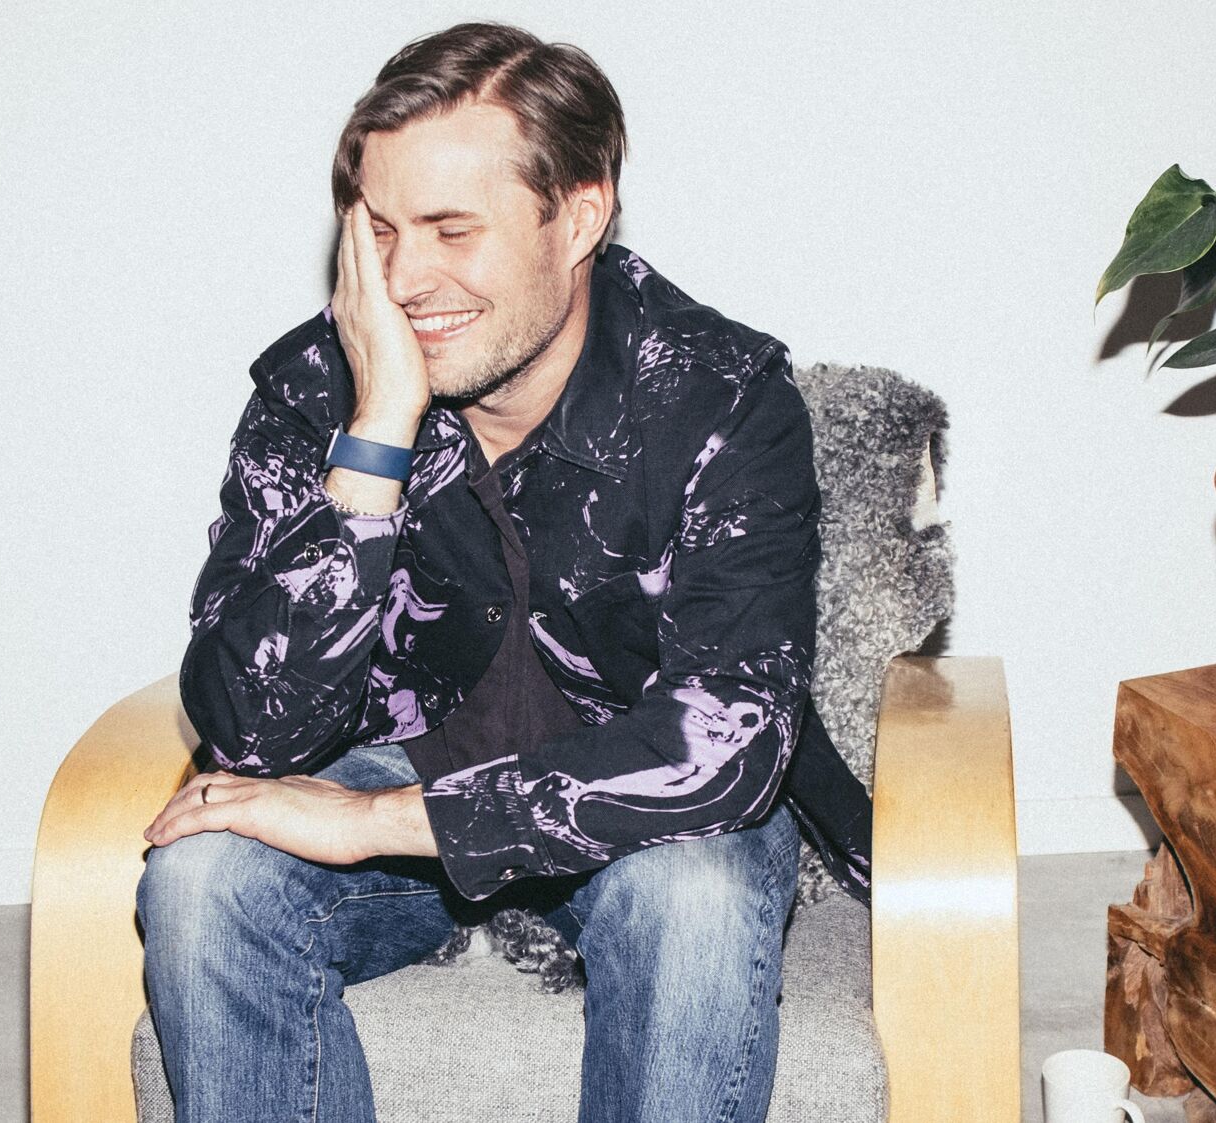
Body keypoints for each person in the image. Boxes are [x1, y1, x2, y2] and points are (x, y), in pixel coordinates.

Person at [136, 21, 871, 1123]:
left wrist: (380, 821)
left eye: (449, 230)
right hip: (388, 755)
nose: (403, 278)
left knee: (696, 896)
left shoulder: (719, 397)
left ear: (578, 214)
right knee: (199, 882)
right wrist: (376, 435)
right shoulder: (314, 390)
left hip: (638, 808)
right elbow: (247, 730)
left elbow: (721, 744)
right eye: (378, 232)